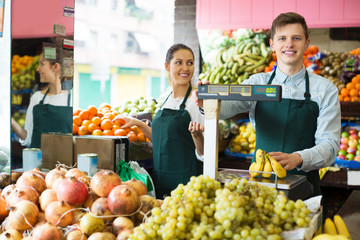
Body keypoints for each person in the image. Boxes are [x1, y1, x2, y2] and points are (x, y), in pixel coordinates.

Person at [195, 12, 341, 197]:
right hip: (259, 186)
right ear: (272, 44)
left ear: (307, 43)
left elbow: (330, 145)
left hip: (303, 188)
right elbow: (226, 108)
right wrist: (207, 101)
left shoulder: (325, 90)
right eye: (282, 38)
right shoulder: (257, 83)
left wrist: (298, 158)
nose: (289, 44)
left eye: (296, 38)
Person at [113, 43, 204, 198]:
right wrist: (139, 124)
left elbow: (205, 153)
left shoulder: (196, 101)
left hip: (187, 184)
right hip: (162, 181)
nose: (186, 68)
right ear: (167, 66)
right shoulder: (167, 99)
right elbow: (162, 140)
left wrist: (197, 136)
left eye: (190, 63)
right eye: (179, 62)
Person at [11, 43, 73, 149]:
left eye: (42, 64)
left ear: (55, 67)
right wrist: (10, 121)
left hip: (64, 164)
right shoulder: (36, 98)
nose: (38, 69)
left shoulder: (72, 99)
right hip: (39, 163)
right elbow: (28, 139)